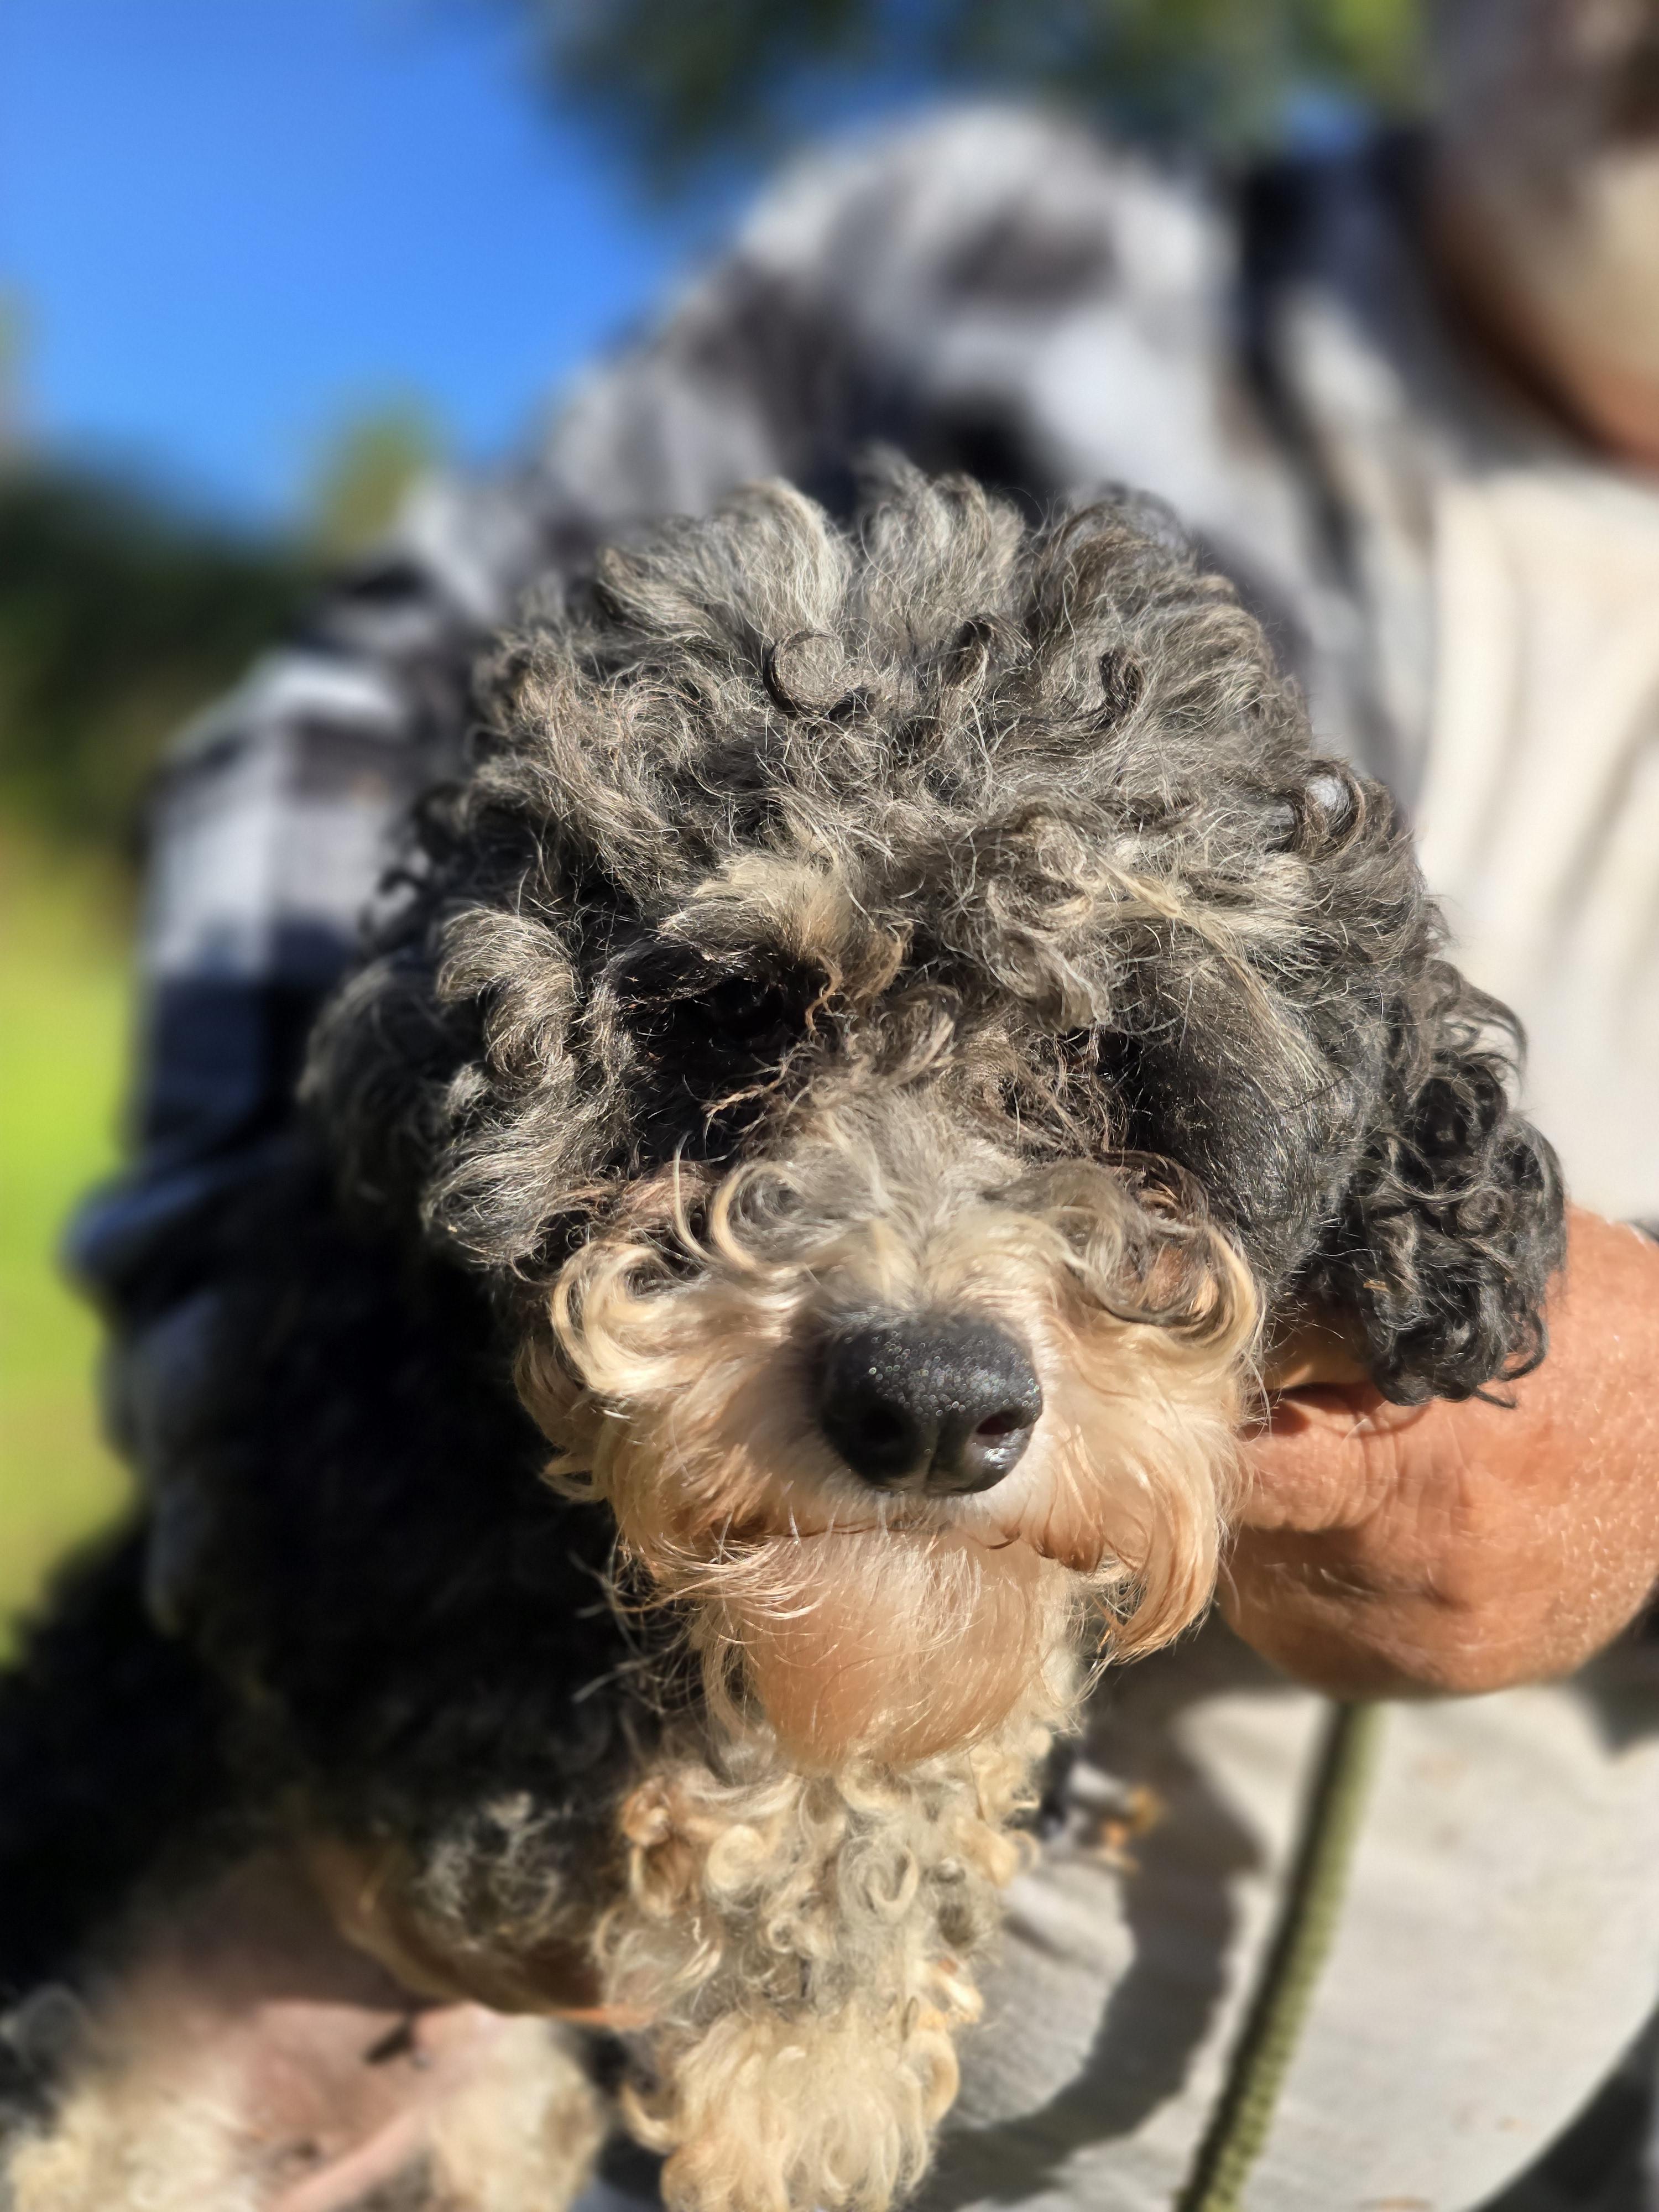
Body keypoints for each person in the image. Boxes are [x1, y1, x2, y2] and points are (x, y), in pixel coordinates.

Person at [48, 1, 1659, 2204]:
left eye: (1112, 1076)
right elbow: (337, 758)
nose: (920, 1297)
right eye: (741, 1037)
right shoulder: (1002, 257)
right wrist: (306, 1626)